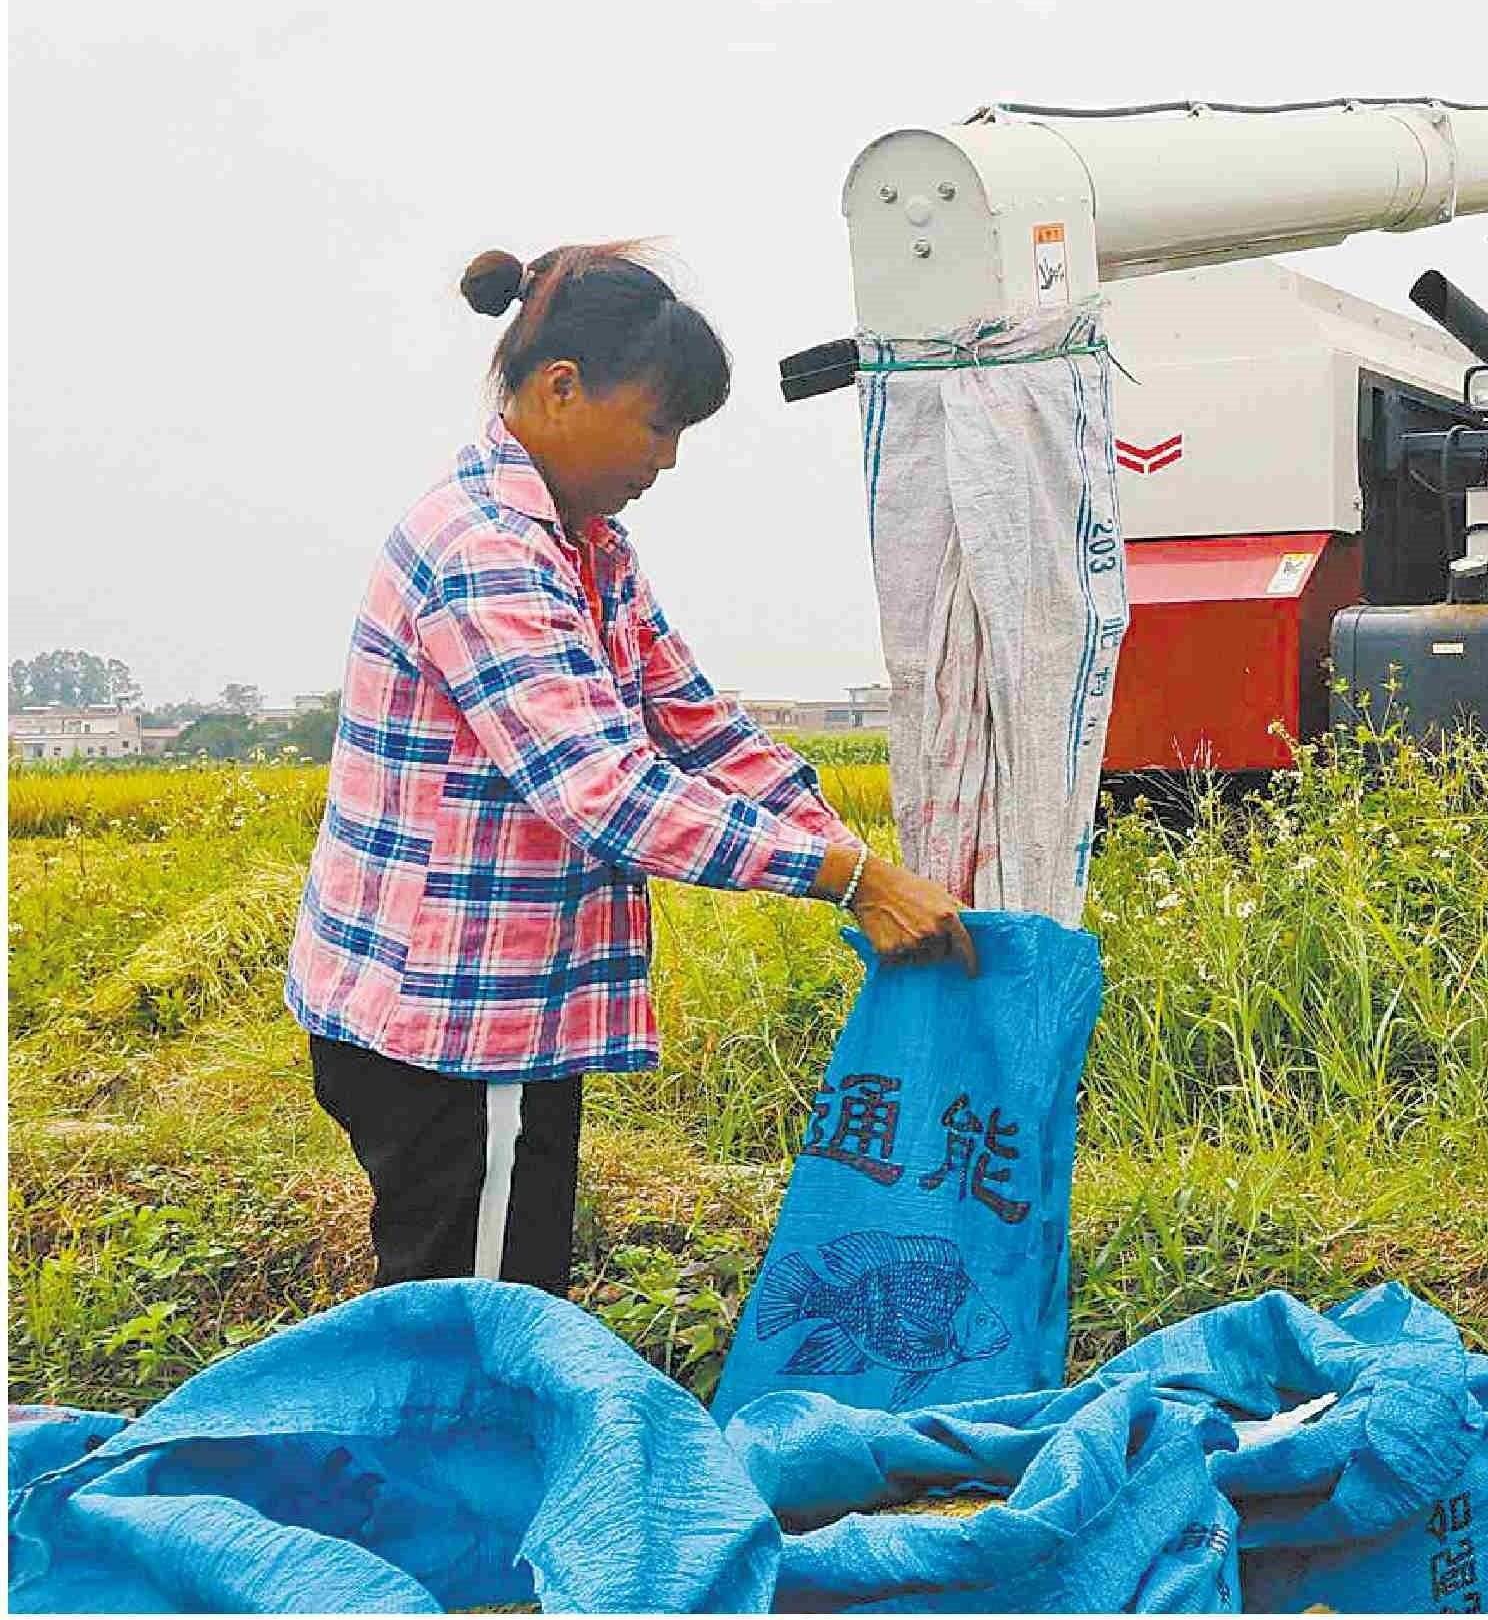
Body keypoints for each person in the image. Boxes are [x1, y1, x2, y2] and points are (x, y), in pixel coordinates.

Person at [288, 242, 976, 1297]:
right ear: (563, 389)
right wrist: (847, 880)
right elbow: (603, 788)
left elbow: (692, 722)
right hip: (457, 1026)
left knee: (506, 1299)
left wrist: (849, 849)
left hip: (501, 1014)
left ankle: (475, 1457)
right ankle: (462, 1462)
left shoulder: (587, 544)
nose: (665, 460)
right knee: (481, 1324)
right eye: (658, 425)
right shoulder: (485, 549)